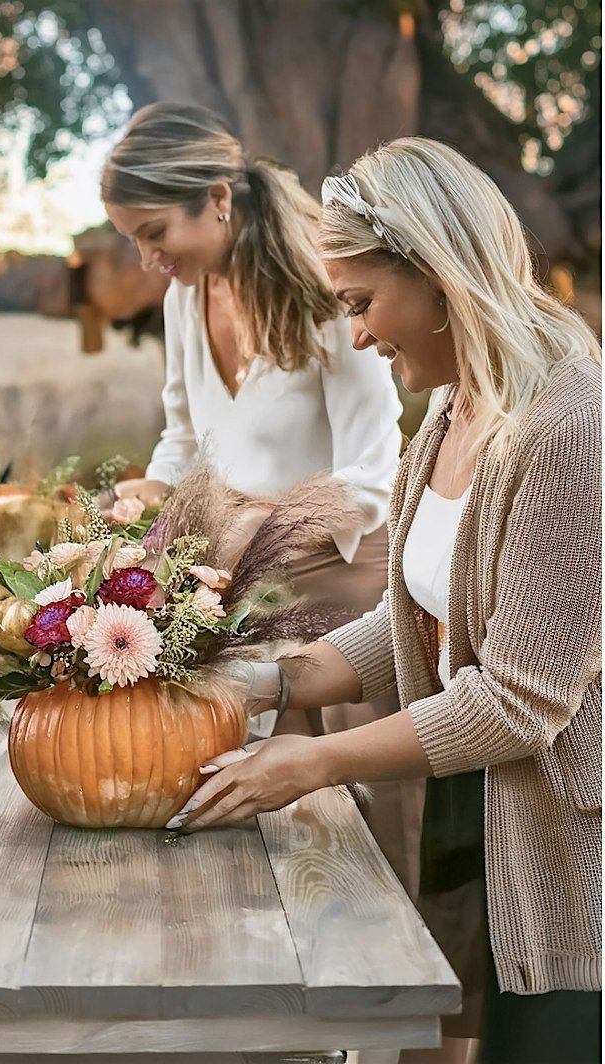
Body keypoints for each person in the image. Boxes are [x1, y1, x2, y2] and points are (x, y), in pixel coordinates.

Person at [171, 137, 601, 1064]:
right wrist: (251, 686)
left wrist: (315, 763)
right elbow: (406, 620)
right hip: (474, 811)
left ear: (442, 274)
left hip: (569, 846)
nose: (357, 335)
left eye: (362, 304)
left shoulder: (572, 430)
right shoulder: (452, 411)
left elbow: (520, 702)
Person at [101, 101, 422, 893]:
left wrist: (264, 527)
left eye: (153, 234)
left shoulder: (327, 296)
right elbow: (183, 437)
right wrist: (151, 495)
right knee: (260, 844)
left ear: (216, 197)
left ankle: (407, 1009)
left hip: (347, 596)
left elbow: (377, 477)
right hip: (239, 595)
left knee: (372, 837)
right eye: (134, 241)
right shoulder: (186, 297)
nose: (149, 261)